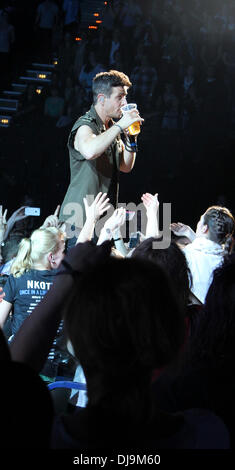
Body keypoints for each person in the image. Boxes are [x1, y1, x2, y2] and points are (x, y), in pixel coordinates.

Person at [59, 69, 144, 244]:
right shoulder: (85, 125)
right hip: (78, 220)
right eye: (119, 97)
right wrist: (120, 126)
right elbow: (90, 150)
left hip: (103, 220)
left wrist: (131, 137)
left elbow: (125, 166)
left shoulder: (111, 128)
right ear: (101, 99)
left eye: (125, 97)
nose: (125, 102)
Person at [0, 226, 66, 377]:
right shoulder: (62, 280)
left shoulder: (17, 278)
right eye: (63, 251)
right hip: (52, 368)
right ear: (51, 257)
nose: (65, 255)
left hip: (20, 360)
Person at [171, 205, 235, 303]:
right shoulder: (227, 262)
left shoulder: (185, 256)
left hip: (194, 316)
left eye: (200, 221)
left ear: (204, 228)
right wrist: (190, 233)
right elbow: (208, 249)